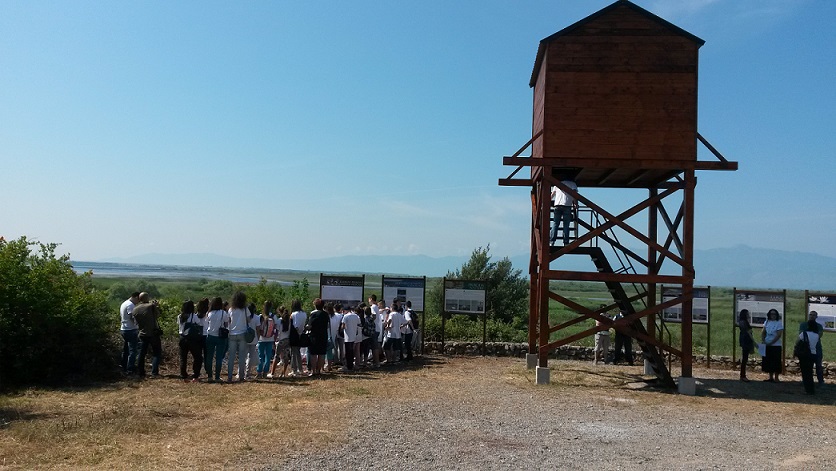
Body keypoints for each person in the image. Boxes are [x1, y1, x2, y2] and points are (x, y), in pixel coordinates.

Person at [132, 293, 162, 379]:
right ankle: (154, 372)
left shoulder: (135, 309)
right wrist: (156, 306)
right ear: (147, 298)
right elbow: (157, 315)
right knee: (157, 353)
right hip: (153, 333)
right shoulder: (151, 306)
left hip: (142, 333)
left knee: (141, 354)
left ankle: (141, 372)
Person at [226, 291, 250, 383]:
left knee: (231, 357)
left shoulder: (231, 309)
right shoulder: (245, 309)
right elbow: (249, 320)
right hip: (242, 334)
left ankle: (229, 377)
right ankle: (241, 376)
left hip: (232, 334)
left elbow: (228, 321)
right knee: (242, 356)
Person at [178, 300, 204, 382]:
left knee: (183, 357)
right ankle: (195, 374)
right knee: (197, 357)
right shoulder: (193, 316)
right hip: (192, 339)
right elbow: (199, 323)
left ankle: (183, 374)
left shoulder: (179, 316)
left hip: (182, 338)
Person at [204, 297, 229, 383]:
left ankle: (210, 376)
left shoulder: (209, 313)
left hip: (210, 335)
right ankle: (217, 376)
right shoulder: (223, 313)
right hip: (220, 337)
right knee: (219, 357)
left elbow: (207, 322)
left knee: (209, 357)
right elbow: (226, 323)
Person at [549, 177, 578, 246]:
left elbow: (552, 195)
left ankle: (551, 241)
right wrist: (575, 204)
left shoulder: (557, 184)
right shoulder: (573, 184)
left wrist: (547, 202)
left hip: (557, 205)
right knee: (566, 225)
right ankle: (566, 242)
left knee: (555, 223)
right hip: (567, 205)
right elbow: (574, 195)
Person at [800, 311, 825, 387]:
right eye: (810, 315)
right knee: (807, 366)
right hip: (806, 349)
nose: (812, 316)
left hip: (817, 348)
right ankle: (806, 381)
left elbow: (819, 335)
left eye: (814, 315)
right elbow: (801, 335)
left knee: (818, 365)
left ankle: (820, 381)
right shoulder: (803, 325)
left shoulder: (819, 326)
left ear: (816, 317)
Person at [119, 291, 141, 375]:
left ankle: (124, 366)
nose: (138, 302)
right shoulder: (130, 305)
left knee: (126, 350)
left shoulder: (124, 303)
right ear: (135, 297)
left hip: (124, 328)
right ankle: (130, 369)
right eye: (138, 300)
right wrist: (137, 324)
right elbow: (132, 316)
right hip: (130, 329)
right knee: (133, 351)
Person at [307, 298, 330, 376]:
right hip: (323, 335)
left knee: (313, 354)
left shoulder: (313, 314)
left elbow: (309, 326)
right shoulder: (326, 314)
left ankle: (313, 371)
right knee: (321, 354)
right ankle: (318, 371)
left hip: (314, 335)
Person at [798, 319, 821, 394]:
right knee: (810, 372)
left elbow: (798, 342)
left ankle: (807, 389)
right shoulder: (817, 335)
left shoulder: (803, 334)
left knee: (805, 373)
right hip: (813, 354)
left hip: (804, 354)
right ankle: (811, 389)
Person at [268, 306, 292, 379]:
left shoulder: (279, 321)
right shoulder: (290, 321)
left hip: (280, 340)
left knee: (276, 356)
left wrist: (274, 340)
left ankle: (272, 373)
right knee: (286, 357)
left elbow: (276, 332)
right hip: (287, 340)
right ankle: (283, 373)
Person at [761, 309, 784, 382]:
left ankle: (776, 377)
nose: (773, 315)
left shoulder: (779, 323)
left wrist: (772, 342)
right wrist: (763, 340)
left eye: (774, 314)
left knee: (776, 361)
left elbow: (779, 335)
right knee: (768, 360)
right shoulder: (767, 322)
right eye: (771, 314)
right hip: (767, 344)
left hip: (776, 345)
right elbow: (763, 332)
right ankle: (770, 377)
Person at [256, 301, 277, 379]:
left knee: (260, 355)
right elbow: (277, 326)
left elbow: (257, 327)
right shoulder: (273, 316)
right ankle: (265, 372)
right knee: (268, 356)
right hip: (270, 339)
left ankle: (259, 372)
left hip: (261, 339)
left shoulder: (260, 316)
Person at [288, 299, 308, 377]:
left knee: (293, 353)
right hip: (302, 334)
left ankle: (294, 370)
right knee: (298, 353)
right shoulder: (304, 314)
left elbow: (295, 325)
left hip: (294, 335)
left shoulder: (294, 314)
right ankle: (300, 369)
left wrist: (298, 333)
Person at [243, 302, 261, 380]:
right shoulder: (257, 318)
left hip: (244, 338)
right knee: (250, 356)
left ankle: (240, 372)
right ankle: (247, 373)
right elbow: (258, 329)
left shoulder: (244, 317)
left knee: (243, 356)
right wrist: (258, 338)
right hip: (253, 339)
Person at [341, 305, 362, 371]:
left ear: (345, 310)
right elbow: (359, 324)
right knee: (352, 352)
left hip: (348, 336)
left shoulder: (346, 316)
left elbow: (343, 326)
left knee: (348, 352)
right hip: (354, 336)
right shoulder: (356, 316)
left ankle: (348, 366)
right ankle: (352, 365)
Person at [737, 309, 755, 382]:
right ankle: (743, 376)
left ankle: (743, 375)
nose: (748, 315)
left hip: (744, 340)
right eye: (747, 314)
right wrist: (754, 341)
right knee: (744, 359)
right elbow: (748, 332)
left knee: (745, 359)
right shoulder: (743, 322)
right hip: (746, 341)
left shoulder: (742, 322)